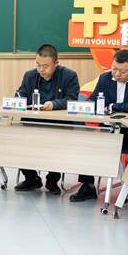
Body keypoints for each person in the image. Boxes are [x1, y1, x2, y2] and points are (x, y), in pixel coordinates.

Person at [73, 49, 128, 211]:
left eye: (122, 71)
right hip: (109, 128)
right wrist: (88, 106)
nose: (117, 74)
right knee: (86, 141)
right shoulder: (105, 78)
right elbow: (92, 100)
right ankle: (88, 186)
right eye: (114, 69)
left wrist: (111, 106)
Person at [13, 44, 80, 194]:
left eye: (45, 66)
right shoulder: (29, 76)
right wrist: (18, 100)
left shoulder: (69, 76)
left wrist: (54, 104)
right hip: (32, 122)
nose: (41, 69)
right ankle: (31, 178)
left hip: (59, 124)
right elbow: (21, 94)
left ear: (56, 64)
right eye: (38, 65)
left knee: (56, 143)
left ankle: (52, 180)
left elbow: (72, 100)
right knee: (17, 139)